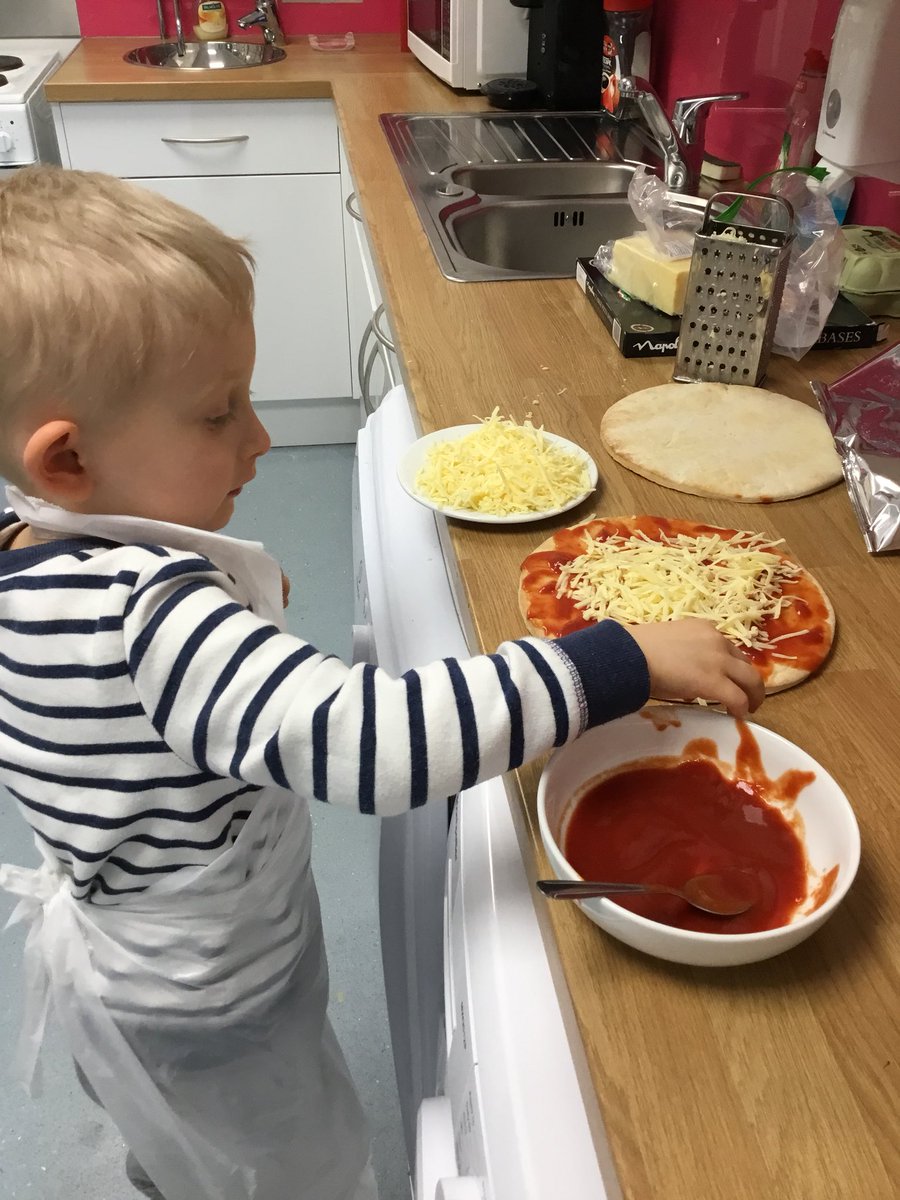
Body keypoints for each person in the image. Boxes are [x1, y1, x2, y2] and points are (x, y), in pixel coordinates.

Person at [0, 166, 763, 1200]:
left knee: (184, 1138)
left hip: (122, 970)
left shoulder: (32, 556)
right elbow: (374, 743)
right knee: (290, 1168)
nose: (260, 438)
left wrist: (224, 622)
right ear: (68, 463)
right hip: (221, 994)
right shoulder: (153, 623)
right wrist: (619, 658)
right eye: (220, 413)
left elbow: (127, 712)